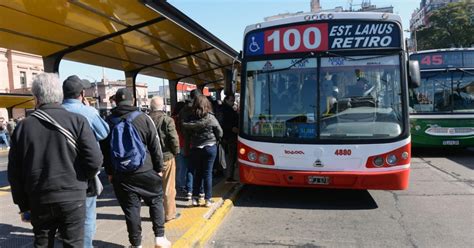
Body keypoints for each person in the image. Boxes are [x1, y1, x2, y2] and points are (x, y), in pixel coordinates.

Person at [8, 73, 103, 247]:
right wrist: (80, 180)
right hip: (73, 196)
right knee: (73, 244)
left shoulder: (23, 127)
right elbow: (95, 160)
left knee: (43, 243)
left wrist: (23, 205)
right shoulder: (77, 121)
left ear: (36, 98)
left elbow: (15, 173)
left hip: (39, 198)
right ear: (59, 95)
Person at [100, 88, 170, 248]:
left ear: (116, 102)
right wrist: (159, 169)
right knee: (155, 201)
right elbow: (155, 146)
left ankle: (136, 243)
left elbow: (105, 151)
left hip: (122, 174)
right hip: (146, 170)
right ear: (133, 101)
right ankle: (159, 237)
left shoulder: (109, 121)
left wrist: (110, 172)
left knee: (131, 209)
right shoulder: (144, 118)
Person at [62, 75, 110, 248]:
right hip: (84, 172)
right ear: (82, 94)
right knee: (88, 216)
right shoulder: (87, 112)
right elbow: (104, 132)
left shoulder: (57, 110)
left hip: (62, 171)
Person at [182, 95, 223, 207]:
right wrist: (216, 139)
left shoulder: (190, 118)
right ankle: (208, 199)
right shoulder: (210, 117)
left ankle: (195, 199)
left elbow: (187, 135)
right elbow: (219, 131)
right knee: (207, 173)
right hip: (210, 147)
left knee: (197, 173)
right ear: (207, 104)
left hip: (196, 148)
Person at [149, 96, 180, 222]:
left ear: (151, 107)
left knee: (154, 188)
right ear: (162, 107)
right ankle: (169, 214)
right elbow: (174, 138)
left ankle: (155, 214)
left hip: (150, 159)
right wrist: (176, 151)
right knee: (168, 187)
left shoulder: (146, 119)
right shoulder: (167, 120)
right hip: (166, 157)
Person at [221, 94, 239, 183]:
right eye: (232, 100)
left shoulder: (228, 109)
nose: (233, 102)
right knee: (231, 157)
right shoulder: (225, 110)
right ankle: (229, 176)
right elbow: (222, 123)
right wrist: (232, 128)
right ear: (226, 100)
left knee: (230, 157)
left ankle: (229, 175)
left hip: (229, 135)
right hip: (229, 136)